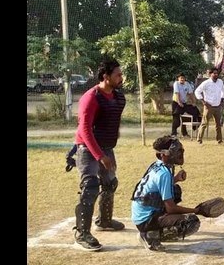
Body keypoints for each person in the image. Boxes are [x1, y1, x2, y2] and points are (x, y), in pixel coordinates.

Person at [72, 59, 126, 251]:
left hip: (106, 147)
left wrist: (110, 144)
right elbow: (85, 129)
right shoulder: (91, 97)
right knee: (90, 186)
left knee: (110, 182)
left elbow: (113, 121)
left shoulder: (119, 98)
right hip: (87, 148)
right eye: (118, 74)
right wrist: (99, 155)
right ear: (106, 77)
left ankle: (104, 220)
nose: (121, 78)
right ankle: (82, 233)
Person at [130, 135, 201, 251]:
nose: (180, 153)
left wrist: (176, 179)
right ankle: (149, 235)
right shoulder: (164, 174)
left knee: (176, 190)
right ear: (163, 154)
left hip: (143, 214)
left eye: (180, 150)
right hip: (145, 219)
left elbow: (159, 187)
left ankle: (151, 230)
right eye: (176, 151)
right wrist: (196, 210)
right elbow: (171, 209)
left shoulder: (158, 165)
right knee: (190, 222)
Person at [194, 67, 224, 144]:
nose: (216, 75)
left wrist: (223, 99)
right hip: (209, 106)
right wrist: (203, 102)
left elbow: (223, 91)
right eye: (214, 73)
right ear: (210, 74)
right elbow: (197, 92)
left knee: (218, 124)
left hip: (217, 106)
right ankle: (199, 139)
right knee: (204, 123)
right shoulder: (206, 83)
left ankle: (219, 140)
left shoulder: (220, 82)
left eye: (217, 73)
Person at [171, 73, 198, 137]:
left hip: (184, 103)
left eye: (183, 78)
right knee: (176, 118)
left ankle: (184, 133)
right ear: (178, 79)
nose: (182, 79)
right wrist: (179, 102)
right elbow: (177, 93)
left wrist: (194, 102)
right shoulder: (176, 83)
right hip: (176, 103)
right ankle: (173, 133)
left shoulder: (187, 84)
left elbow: (191, 93)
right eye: (181, 78)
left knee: (186, 117)